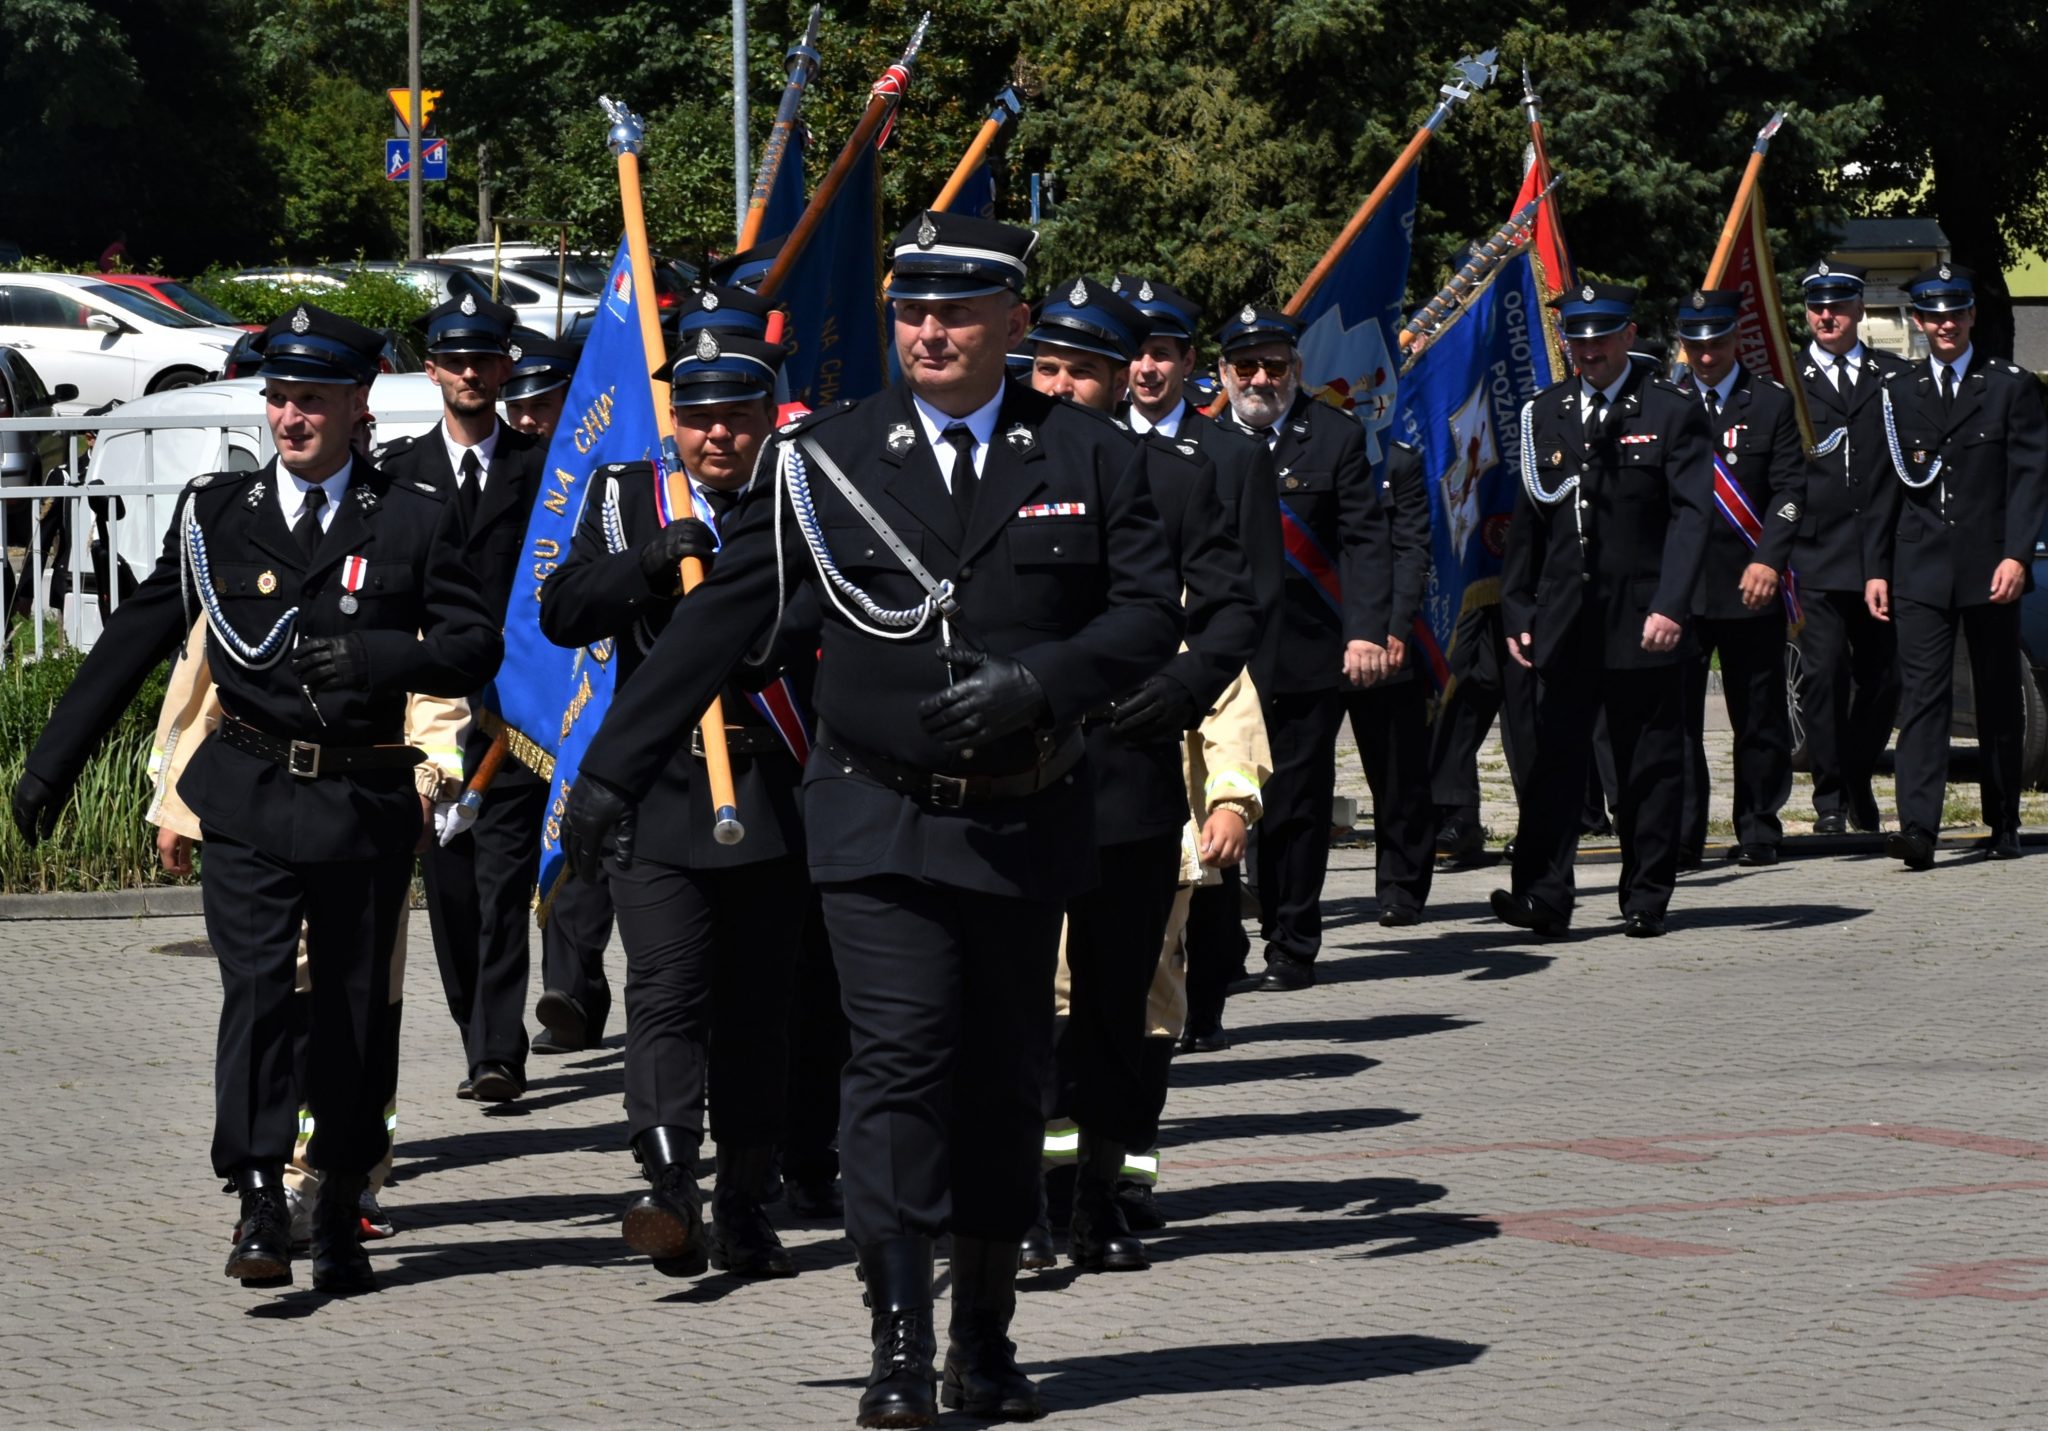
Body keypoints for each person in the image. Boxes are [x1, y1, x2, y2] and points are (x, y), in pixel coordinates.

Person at [559, 210, 1180, 1426]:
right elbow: (718, 624)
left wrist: (1039, 682)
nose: (930, 331)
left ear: (1014, 318)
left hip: (1019, 818)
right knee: (893, 1068)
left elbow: (1150, 613)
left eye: (956, 310)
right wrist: (607, 773)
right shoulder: (831, 459)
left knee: (1002, 1080)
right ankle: (898, 1343)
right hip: (874, 819)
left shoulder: (1090, 456)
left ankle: (985, 1338)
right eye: (911, 311)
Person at [9, 304, 498, 1293]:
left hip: (359, 800)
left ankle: (344, 1191)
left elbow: (473, 643)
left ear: (358, 405)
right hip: (248, 789)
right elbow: (138, 636)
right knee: (261, 992)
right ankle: (260, 1195)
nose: (290, 418)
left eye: (312, 399)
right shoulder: (218, 516)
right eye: (279, 398)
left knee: (355, 1014)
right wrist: (50, 764)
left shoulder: (407, 515)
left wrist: (373, 652)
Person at [539, 331, 813, 1279]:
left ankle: (743, 1201)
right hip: (659, 790)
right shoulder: (624, 499)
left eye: (736, 415)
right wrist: (646, 566)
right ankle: (667, 1184)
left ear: (766, 414)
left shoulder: (802, 496)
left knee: (756, 1010)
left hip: (773, 785)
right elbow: (562, 610)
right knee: (665, 990)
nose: (716, 437)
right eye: (696, 419)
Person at [1025, 277, 1258, 1273]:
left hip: (1125, 774)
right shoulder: (987, 467)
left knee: (1118, 1010)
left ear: (1122, 379)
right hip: (1013, 775)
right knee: (1021, 1008)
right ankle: (1023, 1206)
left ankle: (1096, 1202)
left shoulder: (1171, 477)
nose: (1063, 386)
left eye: (1083, 370)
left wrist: (1185, 687)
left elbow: (1229, 610)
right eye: (1048, 366)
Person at [1492, 283, 1711, 938]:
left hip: (1642, 615)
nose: (1587, 349)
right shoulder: (1545, 412)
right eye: (1576, 337)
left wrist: (1673, 604)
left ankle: (1645, 892)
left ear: (1627, 335)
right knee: (1554, 760)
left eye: (1599, 336)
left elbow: (1691, 519)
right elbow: (1529, 519)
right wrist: (1518, 606)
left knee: (1645, 762)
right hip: (1565, 615)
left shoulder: (1671, 411)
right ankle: (1541, 896)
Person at [377, 293, 547, 1103]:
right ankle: (473, 1020)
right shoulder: (397, 476)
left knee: (504, 885)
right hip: (431, 718)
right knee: (449, 894)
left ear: (507, 367)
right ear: (433, 368)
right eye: (456, 358)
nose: (472, 372)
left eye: (486, 358)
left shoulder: (540, 470)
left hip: (511, 714)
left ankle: (497, 1051)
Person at [1111, 274, 1279, 1046]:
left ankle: (1202, 1005)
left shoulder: (1226, 455)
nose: (1147, 369)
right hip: (1121, 686)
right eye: (1135, 354)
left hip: (1203, 682)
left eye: (1162, 354)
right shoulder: (1083, 441)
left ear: (1187, 364)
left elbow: (1251, 583)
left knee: (1210, 872)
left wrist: (1230, 681)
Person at [1214, 304, 1393, 991]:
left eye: (1276, 366)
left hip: (1306, 649)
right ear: (1225, 372)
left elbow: (1364, 541)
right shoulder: (1198, 442)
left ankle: (1292, 940)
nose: (1262, 378)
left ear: (1297, 370)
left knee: (1296, 803)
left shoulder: (1336, 437)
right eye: (1248, 366)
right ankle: (1220, 945)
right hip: (1220, 657)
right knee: (1219, 802)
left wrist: (1365, 628)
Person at [1866, 264, 2048, 867]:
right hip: (1919, 568)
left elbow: (2028, 482)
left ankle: (2003, 820)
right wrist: (1876, 568)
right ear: (1917, 323)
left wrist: (2018, 555)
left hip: (1989, 566)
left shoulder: (2008, 386)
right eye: (1932, 316)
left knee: (1997, 694)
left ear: (1971, 317)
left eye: (1955, 313)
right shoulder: (1897, 392)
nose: (1944, 324)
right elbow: (1883, 489)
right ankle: (1919, 827)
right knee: (1923, 697)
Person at [1671, 288, 1806, 866]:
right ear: (1683, 344)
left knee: (1759, 714)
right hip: (1679, 587)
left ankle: (1757, 826)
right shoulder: (1661, 401)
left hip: (1749, 581)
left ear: (1735, 339)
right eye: (1696, 345)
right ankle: (1681, 832)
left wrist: (1768, 560)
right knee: (1676, 721)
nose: (1707, 356)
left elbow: (1790, 493)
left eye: (1718, 342)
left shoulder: (1770, 404)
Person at [1793, 262, 1908, 835]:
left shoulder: (1892, 377)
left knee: (1887, 678)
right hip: (1814, 554)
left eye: (1837, 305)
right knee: (1824, 674)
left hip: (1880, 556)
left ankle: (1858, 773)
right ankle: (1831, 797)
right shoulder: (1788, 383)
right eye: (1816, 306)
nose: (1826, 316)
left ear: (1860, 310)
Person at [1350, 438, 1438, 922]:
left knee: (1397, 771)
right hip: (1307, 636)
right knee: (1289, 778)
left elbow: (1411, 547)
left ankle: (1401, 885)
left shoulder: (1397, 459)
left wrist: (1397, 624)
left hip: (1381, 633)